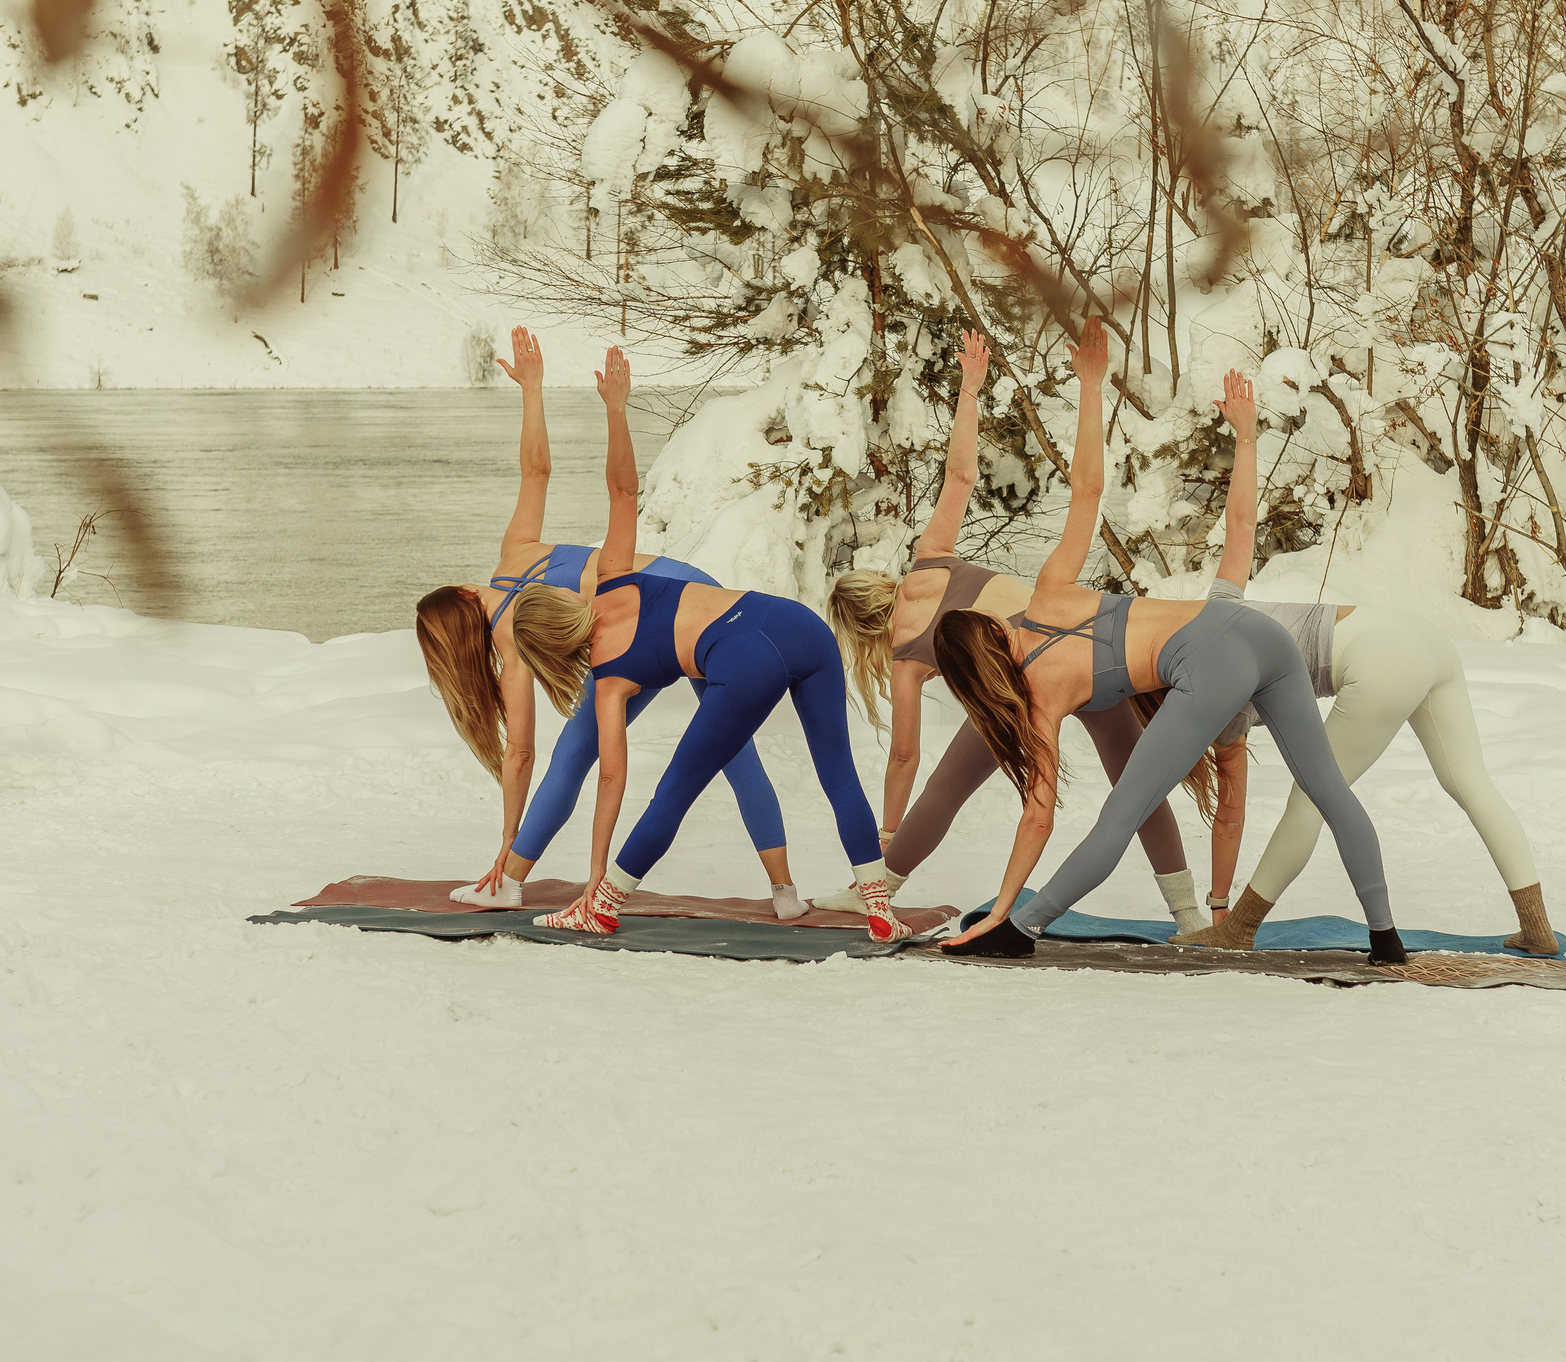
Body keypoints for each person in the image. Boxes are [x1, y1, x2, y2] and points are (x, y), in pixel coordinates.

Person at [929, 332, 1407, 962]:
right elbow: (1089, 491)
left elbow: (1037, 818)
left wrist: (1001, 910)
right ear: (989, 629)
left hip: (1211, 662)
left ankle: (1021, 930)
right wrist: (1093, 385)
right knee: (1330, 793)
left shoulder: (1040, 700)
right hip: (1259, 634)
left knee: (1121, 816)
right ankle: (1386, 937)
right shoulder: (1049, 593)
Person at [504, 348, 907, 940]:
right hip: (798, 625)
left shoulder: (609, 681)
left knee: (675, 790)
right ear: (562, 605)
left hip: (744, 659)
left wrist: (594, 874)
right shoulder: (613, 581)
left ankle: (602, 905)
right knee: (839, 774)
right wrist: (616, 410)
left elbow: (611, 781)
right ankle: (880, 908)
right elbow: (622, 491)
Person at [818, 329, 1204, 931]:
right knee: (1136, 785)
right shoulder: (930, 561)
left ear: (859, 629)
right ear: (878, 582)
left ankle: (877, 888)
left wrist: (887, 830)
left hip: (1020, 678)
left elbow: (904, 756)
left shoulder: (904, 657)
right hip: (1080, 648)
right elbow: (960, 478)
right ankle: (1189, 915)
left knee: (947, 787)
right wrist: (969, 390)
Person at [412, 328, 800, 919]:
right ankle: (784, 892)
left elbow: (521, 754)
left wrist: (506, 839)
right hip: (694, 589)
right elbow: (537, 471)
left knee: (573, 756)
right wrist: (533, 389)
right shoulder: (514, 555)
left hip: (642, 622)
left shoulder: (512, 643)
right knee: (732, 746)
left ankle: (508, 879)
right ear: (466, 590)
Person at [1174, 373, 1560, 955]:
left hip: (1378, 660)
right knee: (1470, 782)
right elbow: (1240, 528)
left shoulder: (1207, 685)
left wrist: (1221, 906)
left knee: (1311, 796)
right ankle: (1537, 927)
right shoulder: (1219, 612)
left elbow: (1230, 809)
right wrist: (1247, 437)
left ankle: (1241, 929)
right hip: (1421, 640)